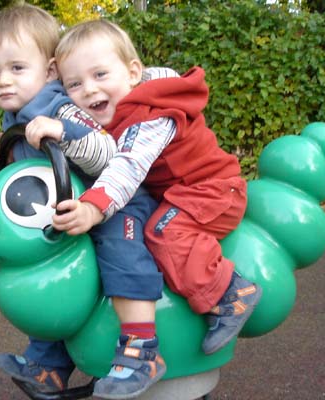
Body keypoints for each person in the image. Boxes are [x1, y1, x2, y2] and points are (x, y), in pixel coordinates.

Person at [26, 19, 263, 399]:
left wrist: (93, 208)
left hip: (211, 190)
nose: (89, 89)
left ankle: (230, 293)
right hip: (179, 194)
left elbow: (129, 165)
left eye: (100, 74)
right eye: (74, 84)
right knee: (134, 232)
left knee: (162, 232)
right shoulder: (118, 111)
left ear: (133, 72)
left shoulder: (153, 114)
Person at [0, 4, 164, 397]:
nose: (3, 81)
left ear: (49, 72)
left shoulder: (58, 106)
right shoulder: (16, 116)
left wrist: (62, 131)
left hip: (114, 202)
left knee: (120, 250)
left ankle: (141, 348)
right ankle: (49, 363)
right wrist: (3, 147)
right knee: (51, 275)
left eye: (16, 68)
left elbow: (107, 151)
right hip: (68, 212)